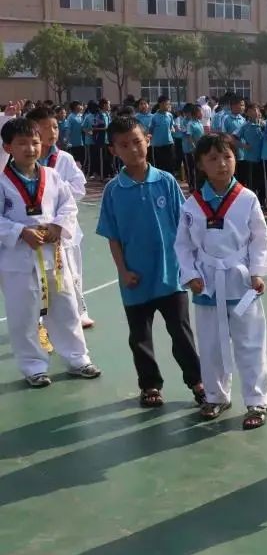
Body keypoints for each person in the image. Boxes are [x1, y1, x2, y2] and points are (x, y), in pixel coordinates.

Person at [97, 116, 205, 409]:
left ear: (147, 140)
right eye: (124, 145)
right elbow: (113, 237)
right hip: (135, 279)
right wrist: (123, 271)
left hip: (171, 275)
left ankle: (197, 381)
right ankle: (150, 386)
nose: (133, 149)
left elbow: (184, 227)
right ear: (113, 150)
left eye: (137, 141)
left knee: (181, 333)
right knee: (140, 337)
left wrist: (189, 266)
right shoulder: (113, 190)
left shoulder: (166, 181)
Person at [175, 134, 267, 429]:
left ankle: (256, 400)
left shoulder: (247, 198)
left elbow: (259, 238)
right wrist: (191, 275)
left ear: (235, 159)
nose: (222, 164)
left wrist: (257, 271)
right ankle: (216, 396)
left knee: (250, 343)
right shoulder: (192, 204)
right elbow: (183, 245)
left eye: (227, 157)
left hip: (241, 284)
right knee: (211, 344)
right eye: (213, 159)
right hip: (207, 284)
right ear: (200, 165)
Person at [0, 118, 101, 387]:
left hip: (53, 254)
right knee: (24, 314)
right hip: (18, 258)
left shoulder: (52, 176)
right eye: (22, 144)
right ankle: (33, 366)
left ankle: (78, 359)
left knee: (66, 306)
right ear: (8, 147)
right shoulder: (2, 181)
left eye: (34, 142)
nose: (30, 149)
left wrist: (58, 225)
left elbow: (68, 206)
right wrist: (20, 231)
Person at [27, 107, 94, 330]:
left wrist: (54, 191)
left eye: (55, 127)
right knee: (41, 275)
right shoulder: (25, 161)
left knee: (72, 272)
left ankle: (80, 311)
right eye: (46, 127)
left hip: (64, 227)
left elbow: (79, 187)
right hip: (38, 228)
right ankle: (42, 315)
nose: (53, 132)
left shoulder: (64, 158)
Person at [236, 105, 266, 204]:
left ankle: (262, 202)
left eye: (255, 110)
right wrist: (244, 145)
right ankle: (250, 202)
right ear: (247, 113)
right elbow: (233, 138)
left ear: (259, 112)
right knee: (252, 183)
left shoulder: (264, 125)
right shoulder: (245, 126)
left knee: (263, 181)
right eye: (251, 111)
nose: (254, 112)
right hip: (250, 159)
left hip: (264, 158)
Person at [181, 104, 205, 193]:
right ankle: (192, 187)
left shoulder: (199, 122)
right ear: (196, 112)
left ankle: (199, 186)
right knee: (192, 168)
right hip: (190, 150)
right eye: (200, 111)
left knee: (199, 168)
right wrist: (194, 147)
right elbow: (189, 137)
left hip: (199, 149)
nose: (202, 113)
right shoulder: (190, 123)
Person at [148, 96, 177, 172]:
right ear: (160, 104)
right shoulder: (154, 117)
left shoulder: (170, 115)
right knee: (159, 167)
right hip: (158, 146)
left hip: (169, 144)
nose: (168, 106)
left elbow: (171, 127)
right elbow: (150, 130)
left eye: (169, 104)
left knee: (170, 166)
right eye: (166, 104)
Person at [66, 101, 86, 170]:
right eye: (79, 105)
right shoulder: (71, 117)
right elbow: (68, 130)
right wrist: (67, 141)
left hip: (82, 142)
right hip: (74, 143)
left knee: (82, 159)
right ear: (75, 107)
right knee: (76, 160)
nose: (81, 107)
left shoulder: (81, 116)